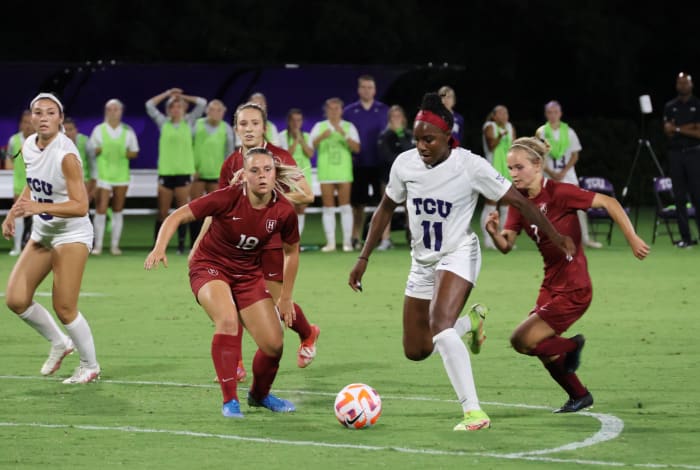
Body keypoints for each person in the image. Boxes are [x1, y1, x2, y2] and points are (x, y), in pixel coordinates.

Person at [348, 93, 575, 431]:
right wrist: (363, 257)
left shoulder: (470, 166)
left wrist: (556, 237)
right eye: (417, 138)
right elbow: (384, 208)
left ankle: (473, 411)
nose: (421, 145)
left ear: (447, 137)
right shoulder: (404, 164)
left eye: (429, 139)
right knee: (417, 349)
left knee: (440, 325)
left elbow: (520, 202)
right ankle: (470, 323)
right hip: (422, 262)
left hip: (459, 254)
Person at [485, 136, 649, 413]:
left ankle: (573, 347)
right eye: (509, 168)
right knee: (540, 346)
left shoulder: (561, 193)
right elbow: (506, 245)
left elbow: (609, 203)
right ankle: (579, 394)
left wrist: (631, 238)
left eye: (518, 167)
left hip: (574, 288)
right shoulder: (518, 204)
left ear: (537, 166)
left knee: (522, 340)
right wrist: (493, 233)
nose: (512, 174)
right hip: (550, 287)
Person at [145, 147, 301, 417]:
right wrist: (160, 247)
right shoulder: (227, 198)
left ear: (275, 174)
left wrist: (285, 297)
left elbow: (291, 251)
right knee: (227, 320)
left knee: (274, 344)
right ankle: (230, 401)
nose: (262, 176)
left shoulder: (284, 211)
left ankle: (259, 395)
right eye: (254, 170)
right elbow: (177, 215)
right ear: (244, 175)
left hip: (248, 275)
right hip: (209, 268)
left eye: (267, 170)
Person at [201, 102, 317, 379]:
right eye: (243, 124)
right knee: (232, 301)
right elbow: (216, 207)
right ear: (236, 128)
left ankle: (308, 332)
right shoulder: (231, 163)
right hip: (235, 247)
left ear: (264, 127)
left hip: (271, 241)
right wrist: (199, 245)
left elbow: (307, 194)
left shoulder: (277, 157)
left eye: (255, 123)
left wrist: (271, 198)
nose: (249, 129)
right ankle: (236, 364)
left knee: (277, 301)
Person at [1, 93, 100, 384]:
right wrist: (13, 213)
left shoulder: (66, 154)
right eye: (38, 112)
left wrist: (38, 207)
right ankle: (60, 343)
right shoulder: (27, 144)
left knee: (65, 307)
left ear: (60, 119)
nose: (43, 117)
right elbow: (34, 185)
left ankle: (90, 365)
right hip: (44, 232)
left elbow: (81, 205)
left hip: (71, 233)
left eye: (50, 113)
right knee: (16, 299)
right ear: (31, 118)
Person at [145, 88, 206, 254]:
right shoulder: (163, 123)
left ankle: (181, 246)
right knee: (162, 212)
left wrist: (181, 96)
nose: (175, 109)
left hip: (184, 173)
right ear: (168, 110)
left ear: (184, 108)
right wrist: (167, 94)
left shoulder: (189, 122)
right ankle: (157, 246)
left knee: (181, 211)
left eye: (179, 106)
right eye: (172, 106)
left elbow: (202, 103)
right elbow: (149, 105)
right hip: (166, 173)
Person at [536, 101, 603, 249]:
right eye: (549, 112)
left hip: (568, 175)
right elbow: (538, 157)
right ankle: (550, 239)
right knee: (549, 209)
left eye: (555, 112)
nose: (553, 115)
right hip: (548, 175)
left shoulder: (569, 131)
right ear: (546, 114)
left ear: (560, 113)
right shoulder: (541, 132)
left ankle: (585, 239)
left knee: (579, 206)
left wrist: (563, 172)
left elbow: (574, 155)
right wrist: (552, 173)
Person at [88, 99, 140, 255]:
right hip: (103, 175)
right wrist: (98, 151)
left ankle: (114, 246)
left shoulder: (127, 131)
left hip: (121, 176)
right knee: (101, 208)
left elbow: (134, 152)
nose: (112, 112)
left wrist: (124, 153)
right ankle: (98, 245)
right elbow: (92, 150)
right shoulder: (99, 130)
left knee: (118, 209)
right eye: (109, 109)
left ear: (121, 111)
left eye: (115, 109)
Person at [311, 97, 360, 252]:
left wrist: (344, 134)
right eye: (330, 109)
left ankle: (347, 243)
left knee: (345, 207)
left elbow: (357, 148)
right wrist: (321, 137)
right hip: (326, 172)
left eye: (336, 108)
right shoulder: (320, 126)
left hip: (344, 172)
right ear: (326, 111)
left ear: (341, 110)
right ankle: (330, 243)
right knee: (328, 208)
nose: (333, 112)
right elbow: (311, 145)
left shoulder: (348, 126)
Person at [344, 75, 388, 250]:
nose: (367, 90)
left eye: (370, 87)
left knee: (383, 204)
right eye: (364, 87)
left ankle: (384, 239)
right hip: (358, 164)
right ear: (358, 89)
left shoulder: (384, 110)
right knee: (358, 204)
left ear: (374, 90)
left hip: (379, 164)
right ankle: (355, 237)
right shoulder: (349, 111)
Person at [663, 72, 700, 248]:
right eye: (679, 83)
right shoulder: (670, 106)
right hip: (676, 155)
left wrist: (677, 128)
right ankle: (686, 238)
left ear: (691, 85)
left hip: (694, 154)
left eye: (685, 83)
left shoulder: (697, 105)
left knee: (697, 195)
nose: (682, 86)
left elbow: (699, 133)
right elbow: (667, 132)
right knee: (679, 197)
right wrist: (689, 127)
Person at [190, 99, 235, 243]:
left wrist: (227, 174)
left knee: (216, 211)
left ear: (223, 112)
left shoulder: (226, 128)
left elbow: (229, 154)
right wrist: (191, 168)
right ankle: (194, 243)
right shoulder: (197, 125)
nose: (215, 113)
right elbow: (187, 148)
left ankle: (214, 242)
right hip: (198, 174)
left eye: (219, 110)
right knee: (195, 209)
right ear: (207, 111)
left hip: (217, 175)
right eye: (212, 110)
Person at [376, 105, 413, 249]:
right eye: (393, 117)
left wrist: (400, 133)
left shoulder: (409, 135)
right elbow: (385, 156)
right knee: (386, 209)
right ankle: (385, 240)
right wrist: (400, 163)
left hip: (408, 178)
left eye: (398, 116)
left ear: (403, 119)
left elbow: (410, 151)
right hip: (388, 178)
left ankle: (412, 239)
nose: (396, 119)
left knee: (411, 209)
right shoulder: (384, 135)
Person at [480, 105, 516, 250]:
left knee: (507, 204)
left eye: (506, 112)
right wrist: (500, 135)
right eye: (500, 113)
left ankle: (503, 238)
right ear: (494, 116)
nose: (504, 115)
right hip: (492, 170)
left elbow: (514, 146)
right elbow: (491, 146)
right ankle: (488, 239)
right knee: (491, 203)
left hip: (507, 170)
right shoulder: (489, 126)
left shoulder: (510, 126)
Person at [277, 108, 314, 236]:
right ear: (288, 121)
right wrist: (296, 141)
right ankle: (287, 237)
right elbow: (287, 155)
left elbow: (309, 154)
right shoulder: (282, 136)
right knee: (289, 207)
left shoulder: (307, 136)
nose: (296, 123)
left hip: (304, 175)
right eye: (293, 120)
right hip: (288, 175)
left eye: (298, 120)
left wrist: (301, 140)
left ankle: (297, 239)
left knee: (302, 208)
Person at [4, 110, 34, 256]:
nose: (27, 125)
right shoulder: (13, 140)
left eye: (30, 122)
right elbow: (9, 159)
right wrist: (9, 164)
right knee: (19, 215)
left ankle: (37, 248)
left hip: (38, 184)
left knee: (40, 216)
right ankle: (18, 247)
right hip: (19, 183)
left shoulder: (40, 139)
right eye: (25, 122)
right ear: (21, 124)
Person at [63, 117, 96, 207]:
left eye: (70, 129)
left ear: (76, 130)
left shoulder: (85, 142)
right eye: (65, 130)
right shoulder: (55, 144)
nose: (68, 133)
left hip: (83, 184)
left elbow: (93, 167)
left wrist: (91, 188)